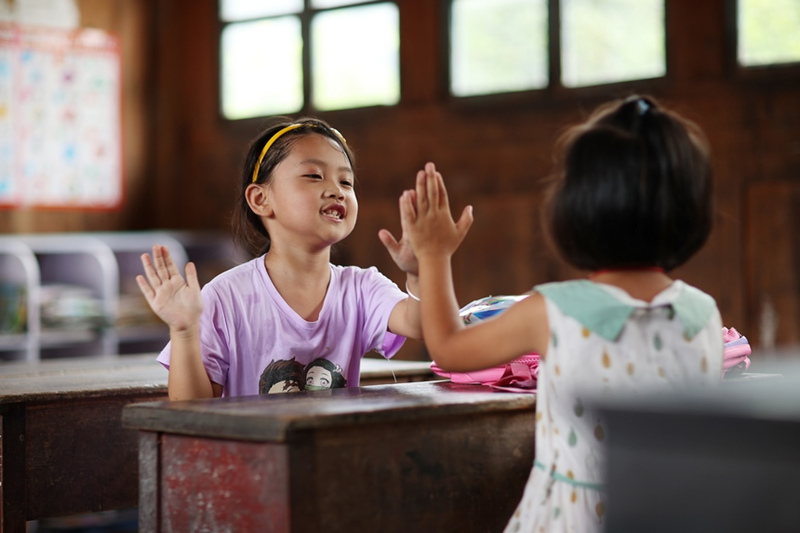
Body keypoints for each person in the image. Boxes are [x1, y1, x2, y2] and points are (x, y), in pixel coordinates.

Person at [399, 96, 723, 532]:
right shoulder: (702, 313)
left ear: (577, 209)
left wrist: (434, 255)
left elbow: (449, 349)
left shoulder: (555, 310)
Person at [137, 117, 423, 400]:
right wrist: (185, 330)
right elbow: (190, 409)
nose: (338, 190)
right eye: (314, 175)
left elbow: (420, 324)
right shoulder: (226, 297)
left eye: (346, 181)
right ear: (261, 199)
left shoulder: (362, 288)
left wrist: (420, 274)